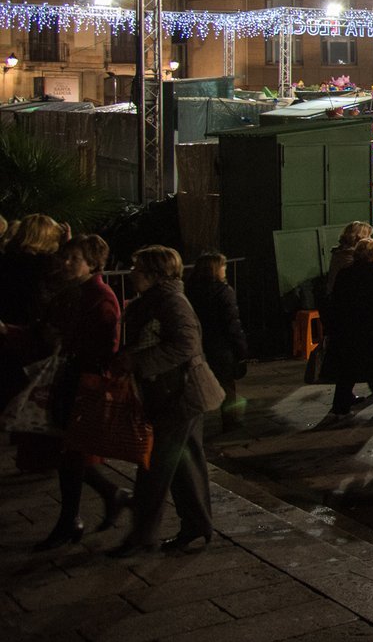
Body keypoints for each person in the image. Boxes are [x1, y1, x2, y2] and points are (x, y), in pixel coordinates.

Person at [5, 235, 128, 551]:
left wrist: (65, 346)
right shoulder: (71, 293)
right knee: (69, 453)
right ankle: (99, 503)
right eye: (65, 256)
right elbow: (43, 333)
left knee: (71, 453)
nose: (65, 262)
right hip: (67, 382)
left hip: (81, 384)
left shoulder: (100, 297)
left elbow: (105, 348)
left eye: (73, 258)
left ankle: (74, 519)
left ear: (92, 263)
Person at [109, 246, 224, 557]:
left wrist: (138, 361)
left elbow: (186, 344)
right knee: (185, 464)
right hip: (173, 394)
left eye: (137, 268)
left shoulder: (171, 301)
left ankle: (143, 535)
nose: (131, 272)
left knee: (154, 467)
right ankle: (197, 525)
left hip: (179, 395)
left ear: (155, 274)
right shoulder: (156, 300)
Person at [319, 237, 373, 417]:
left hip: (348, 327)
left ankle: (340, 405)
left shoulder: (345, 273)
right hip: (372, 328)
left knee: (348, 368)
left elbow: (336, 300)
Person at [185, 251, 249, 431]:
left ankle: (196, 425)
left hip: (200, 345)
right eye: (223, 266)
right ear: (214, 269)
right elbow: (232, 324)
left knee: (198, 384)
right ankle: (231, 421)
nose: (225, 269)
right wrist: (241, 350)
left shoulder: (190, 290)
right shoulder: (223, 291)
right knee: (227, 386)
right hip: (221, 347)